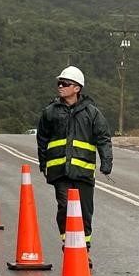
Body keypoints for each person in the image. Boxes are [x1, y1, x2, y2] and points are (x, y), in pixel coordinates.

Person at [36, 65, 113, 261]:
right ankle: (68, 244)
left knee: (84, 212)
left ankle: (83, 250)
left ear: (77, 88)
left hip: (83, 173)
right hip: (60, 172)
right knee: (64, 208)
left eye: (65, 83)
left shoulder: (92, 113)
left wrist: (106, 162)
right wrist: (43, 163)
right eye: (59, 83)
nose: (60, 86)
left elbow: (103, 138)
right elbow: (42, 139)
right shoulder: (50, 112)